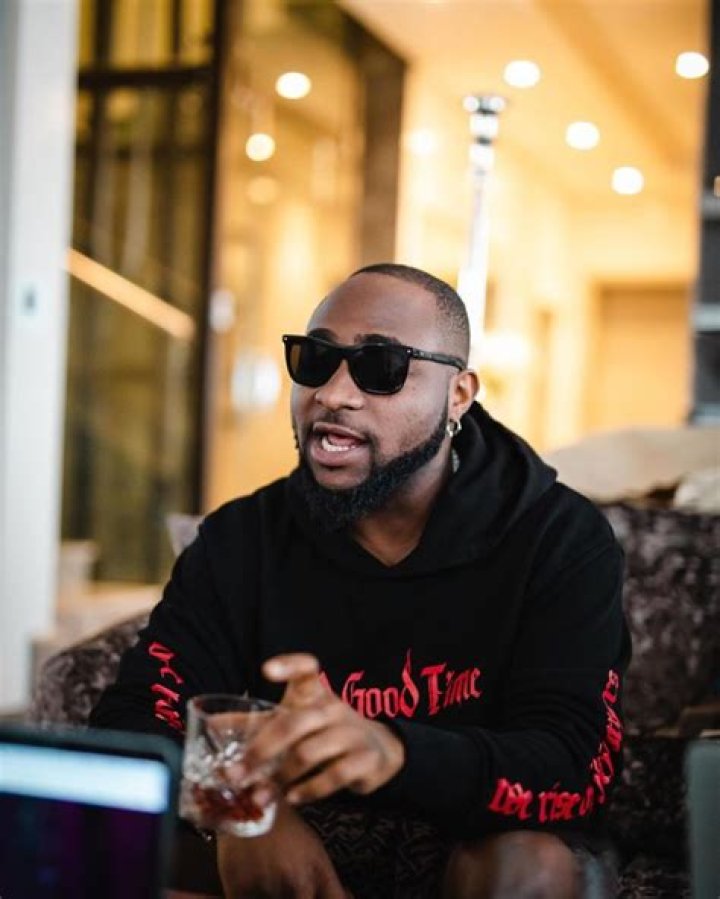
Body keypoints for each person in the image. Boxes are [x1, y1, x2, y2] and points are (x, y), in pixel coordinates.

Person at [91, 263, 631, 899]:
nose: (333, 393)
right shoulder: (243, 537)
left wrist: (395, 753)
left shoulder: (558, 538)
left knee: (528, 867)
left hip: (475, 836)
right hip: (293, 829)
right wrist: (237, 808)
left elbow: (574, 767)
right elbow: (132, 719)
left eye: (382, 367)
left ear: (458, 395)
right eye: (316, 359)